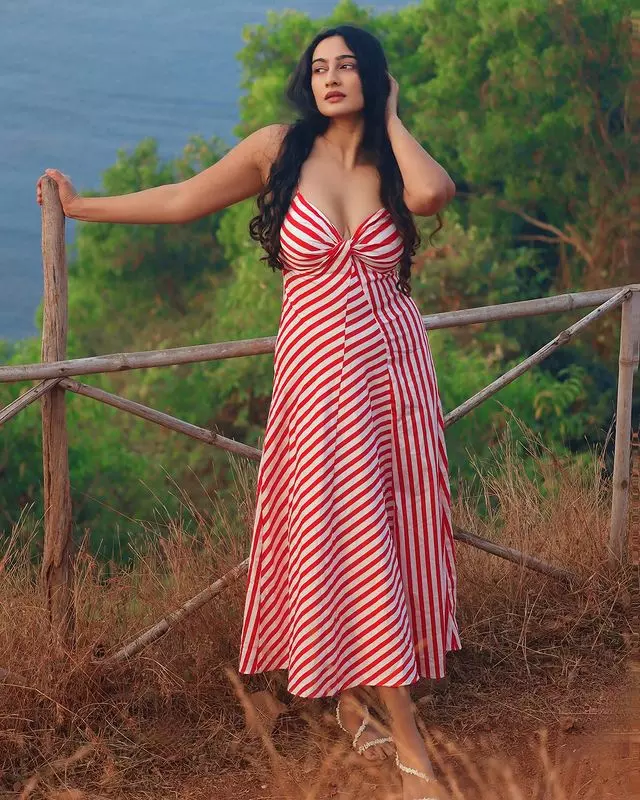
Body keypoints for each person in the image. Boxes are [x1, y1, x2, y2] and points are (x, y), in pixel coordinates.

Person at [37, 23, 461, 800]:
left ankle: (351, 702)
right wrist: (80, 206)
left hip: (393, 378)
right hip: (317, 385)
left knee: (382, 536)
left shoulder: (391, 160)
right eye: (319, 67)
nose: (330, 77)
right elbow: (181, 201)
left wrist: (393, 116)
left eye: (348, 66)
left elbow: (434, 196)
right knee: (346, 537)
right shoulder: (279, 149)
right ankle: (410, 750)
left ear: (374, 76)